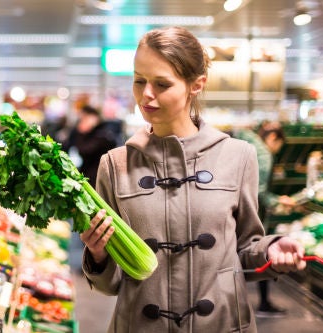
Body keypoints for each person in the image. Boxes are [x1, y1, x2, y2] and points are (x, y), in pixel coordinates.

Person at [79, 26, 306, 332]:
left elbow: (243, 249)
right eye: (139, 80)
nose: (146, 94)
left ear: (196, 85)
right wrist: (98, 254)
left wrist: (271, 250)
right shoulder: (115, 164)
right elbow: (111, 283)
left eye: (162, 83)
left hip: (222, 324)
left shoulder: (239, 157)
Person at [233, 122, 298, 318]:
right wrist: (279, 200)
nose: (277, 150)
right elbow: (259, 193)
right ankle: (262, 304)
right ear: (273, 138)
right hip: (250, 215)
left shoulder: (242, 143)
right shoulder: (263, 154)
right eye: (280, 145)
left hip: (234, 213)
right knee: (260, 251)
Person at [62, 105, 118, 187]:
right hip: (88, 175)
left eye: (84, 118)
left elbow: (85, 150)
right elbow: (68, 146)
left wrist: (81, 133)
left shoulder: (103, 134)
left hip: (99, 178)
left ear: (94, 118)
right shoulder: (86, 133)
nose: (82, 122)